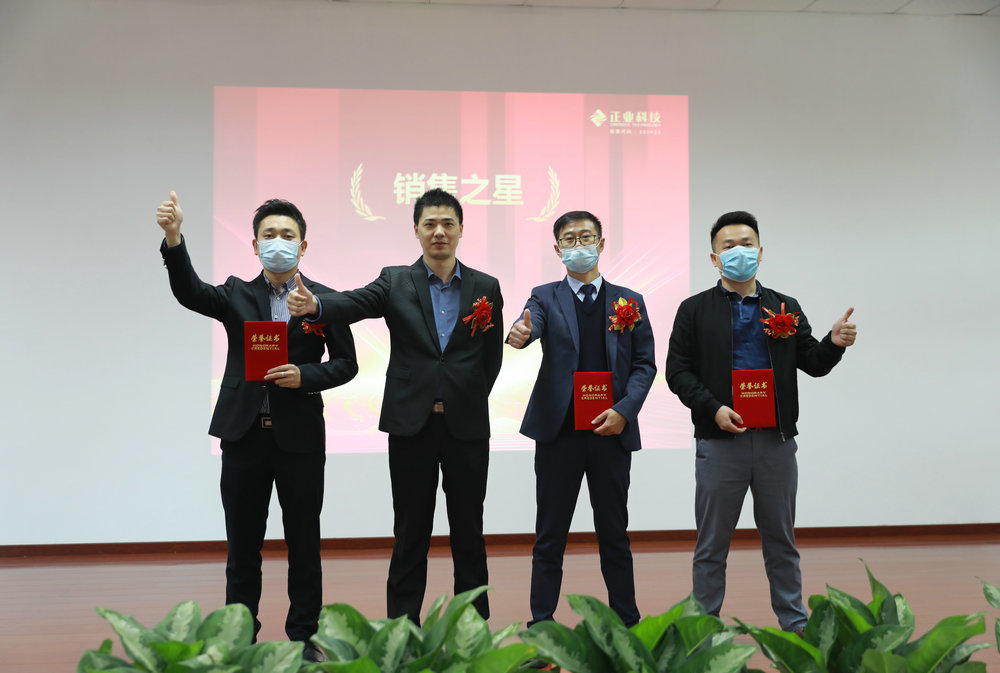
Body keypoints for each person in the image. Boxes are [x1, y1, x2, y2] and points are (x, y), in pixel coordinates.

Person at [155, 191, 358, 659]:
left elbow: (347, 363)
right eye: (269, 235)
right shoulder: (236, 294)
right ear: (254, 245)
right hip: (244, 435)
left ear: (303, 246)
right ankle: (238, 639)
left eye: (287, 235)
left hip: (299, 439)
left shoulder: (326, 300)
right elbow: (190, 292)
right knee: (242, 546)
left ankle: (305, 638)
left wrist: (306, 375)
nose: (278, 242)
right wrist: (174, 238)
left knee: (303, 542)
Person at [286, 188, 503, 624]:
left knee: (469, 533)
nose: (439, 232)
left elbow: (491, 358)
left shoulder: (486, 287)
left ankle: (473, 629)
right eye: (430, 224)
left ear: (461, 229)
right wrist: (317, 306)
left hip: (466, 427)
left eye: (447, 223)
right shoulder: (396, 280)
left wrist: (466, 395)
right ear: (416, 231)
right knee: (409, 533)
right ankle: (403, 630)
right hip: (410, 427)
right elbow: (356, 301)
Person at [665, 210, 857, 633]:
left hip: (775, 442)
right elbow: (677, 372)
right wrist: (713, 408)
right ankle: (703, 630)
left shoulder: (784, 306)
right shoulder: (694, 310)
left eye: (747, 244)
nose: (739, 252)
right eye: (729, 246)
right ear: (714, 258)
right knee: (711, 545)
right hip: (720, 441)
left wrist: (833, 343)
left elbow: (813, 363)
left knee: (782, 542)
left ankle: (795, 625)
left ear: (761, 251)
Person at [507, 211, 656, 627]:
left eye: (586, 237)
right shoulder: (544, 296)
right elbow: (529, 324)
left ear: (601, 244)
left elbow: (645, 365)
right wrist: (521, 333)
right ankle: (542, 623)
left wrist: (624, 410)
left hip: (611, 433)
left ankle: (627, 621)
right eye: (569, 239)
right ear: (558, 250)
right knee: (550, 534)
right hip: (559, 435)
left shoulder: (629, 300)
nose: (579, 245)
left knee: (614, 534)